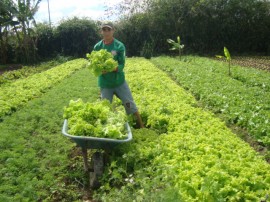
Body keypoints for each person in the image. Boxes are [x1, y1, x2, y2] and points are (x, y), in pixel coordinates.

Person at [93, 22, 144, 128]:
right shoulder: (97, 47)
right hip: (105, 83)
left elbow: (122, 64)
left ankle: (141, 126)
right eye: (104, 30)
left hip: (119, 82)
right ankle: (107, 128)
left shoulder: (119, 46)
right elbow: (95, 63)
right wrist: (99, 69)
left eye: (109, 30)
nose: (106, 32)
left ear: (113, 31)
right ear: (101, 31)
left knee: (128, 103)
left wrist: (113, 68)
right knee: (105, 108)